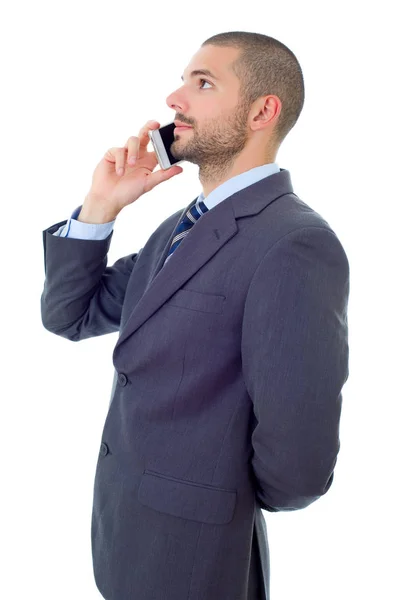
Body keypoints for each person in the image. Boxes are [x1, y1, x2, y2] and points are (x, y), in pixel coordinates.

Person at [41, 31, 350, 600]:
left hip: (194, 561)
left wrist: (214, 494)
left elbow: (298, 466)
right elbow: (69, 313)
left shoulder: (295, 245)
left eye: (202, 83)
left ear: (263, 111)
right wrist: (100, 206)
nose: (174, 99)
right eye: (184, 80)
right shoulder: (180, 228)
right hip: (124, 539)